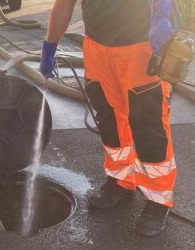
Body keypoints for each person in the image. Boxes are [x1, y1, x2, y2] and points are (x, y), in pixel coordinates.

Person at [40, 0, 176, 236]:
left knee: (148, 126)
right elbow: (64, 5)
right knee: (109, 120)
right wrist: (50, 45)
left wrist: (163, 12)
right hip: (97, 49)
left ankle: (158, 200)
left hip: (141, 46)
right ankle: (121, 179)